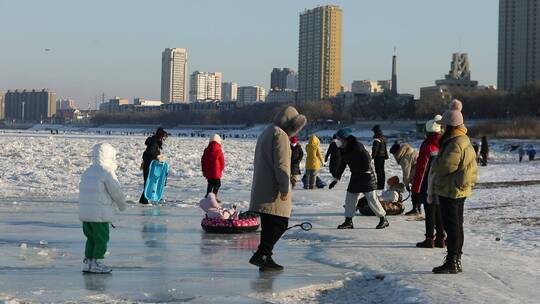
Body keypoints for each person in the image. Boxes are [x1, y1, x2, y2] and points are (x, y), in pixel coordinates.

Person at [248, 106, 306, 272]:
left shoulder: (267, 131)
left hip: (263, 184)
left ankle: (266, 256)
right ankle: (262, 254)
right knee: (280, 222)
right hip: (273, 187)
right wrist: (285, 187)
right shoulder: (280, 135)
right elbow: (282, 165)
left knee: (269, 224)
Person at [429, 99, 477, 274]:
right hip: (458, 188)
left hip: (450, 190)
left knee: (452, 226)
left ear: (450, 126)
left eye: (444, 126)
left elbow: (446, 167)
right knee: (456, 225)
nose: (441, 129)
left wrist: (435, 161)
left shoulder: (455, 143)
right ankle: (455, 260)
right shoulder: (463, 140)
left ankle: (452, 261)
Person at [79, 143, 127, 273]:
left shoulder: (88, 171)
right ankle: (97, 262)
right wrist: (122, 205)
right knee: (101, 239)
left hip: (86, 215)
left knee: (91, 238)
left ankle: (88, 262)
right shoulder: (106, 172)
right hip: (100, 215)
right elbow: (116, 191)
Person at [329, 128, 389, 230]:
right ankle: (348, 221)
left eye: (339, 139)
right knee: (350, 199)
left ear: (345, 139)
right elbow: (342, 164)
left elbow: (367, 158)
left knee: (372, 199)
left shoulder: (357, 146)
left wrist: (366, 169)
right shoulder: (343, 149)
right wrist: (336, 179)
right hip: (355, 176)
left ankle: (383, 219)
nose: (337, 141)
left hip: (367, 176)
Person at [412, 115, 446, 248]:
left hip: (429, 184)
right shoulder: (445, 143)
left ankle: (429, 239)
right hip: (443, 183)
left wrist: (415, 189)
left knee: (430, 211)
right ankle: (441, 238)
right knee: (439, 211)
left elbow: (421, 169)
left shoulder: (427, 145)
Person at [389, 141, 419, 215]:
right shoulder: (408, 151)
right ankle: (418, 208)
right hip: (420, 172)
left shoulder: (404, 158)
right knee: (418, 191)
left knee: (415, 191)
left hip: (417, 174)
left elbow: (406, 173)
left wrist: (406, 184)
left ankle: (416, 209)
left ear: (396, 153)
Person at [139, 127, 167, 204]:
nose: (164, 140)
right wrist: (157, 157)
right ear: (161, 136)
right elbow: (150, 153)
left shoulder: (154, 141)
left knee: (148, 181)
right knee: (148, 181)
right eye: (164, 138)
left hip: (149, 163)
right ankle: (144, 199)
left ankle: (143, 199)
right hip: (149, 164)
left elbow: (147, 153)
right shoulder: (155, 142)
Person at [372, 125, 389, 190]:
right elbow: (384, 148)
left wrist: (373, 156)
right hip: (382, 157)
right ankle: (382, 184)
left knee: (378, 171)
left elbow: (375, 148)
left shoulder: (377, 138)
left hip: (378, 157)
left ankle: (380, 185)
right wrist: (386, 156)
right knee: (382, 171)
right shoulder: (383, 137)